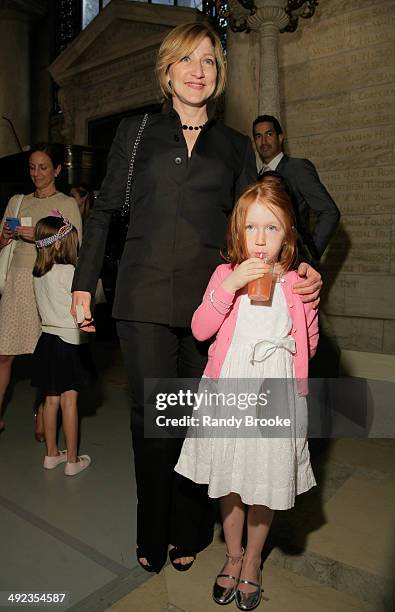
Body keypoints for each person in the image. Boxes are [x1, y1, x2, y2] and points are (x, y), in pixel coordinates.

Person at [71, 22, 322, 574]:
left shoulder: (234, 147)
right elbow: (105, 212)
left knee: (194, 419)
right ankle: (151, 531)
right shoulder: (137, 133)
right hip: (141, 300)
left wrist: (302, 268)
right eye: (187, 59)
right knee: (151, 419)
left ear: (219, 74)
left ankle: (188, 530)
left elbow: (260, 221)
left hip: (210, 307)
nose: (198, 70)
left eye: (208, 60)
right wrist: (83, 284)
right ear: (167, 70)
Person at [175, 175, 319, 610]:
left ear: (287, 234)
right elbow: (200, 329)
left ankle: (254, 560)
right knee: (231, 481)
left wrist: (311, 300)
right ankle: (232, 554)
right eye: (251, 227)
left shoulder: (297, 283)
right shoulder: (226, 274)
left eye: (271, 228)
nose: (260, 239)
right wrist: (230, 284)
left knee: (264, 482)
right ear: (238, 229)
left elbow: (309, 347)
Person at [0, 144, 82, 435]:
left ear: (57, 170)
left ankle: (42, 413)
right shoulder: (17, 201)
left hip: (49, 281)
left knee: (44, 352)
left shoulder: (67, 204)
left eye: (43, 167)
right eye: (32, 167)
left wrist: (38, 236)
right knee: (4, 352)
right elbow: (1, 244)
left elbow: (74, 248)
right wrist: (7, 236)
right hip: (19, 280)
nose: (36, 173)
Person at [31, 213, 92, 475]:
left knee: (50, 400)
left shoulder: (38, 273)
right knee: (70, 402)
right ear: (58, 243)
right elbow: (80, 313)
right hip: (69, 342)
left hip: (46, 340)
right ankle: (72, 461)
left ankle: (51, 454)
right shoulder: (71, 272)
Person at [253, 114, 340, 268]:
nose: (263, 141)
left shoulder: (298, 168)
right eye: (258, 136)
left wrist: (309, 256)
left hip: (293, 264)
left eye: (269, 134)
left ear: (280, 138)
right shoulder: (256, 176)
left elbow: (329, 211)